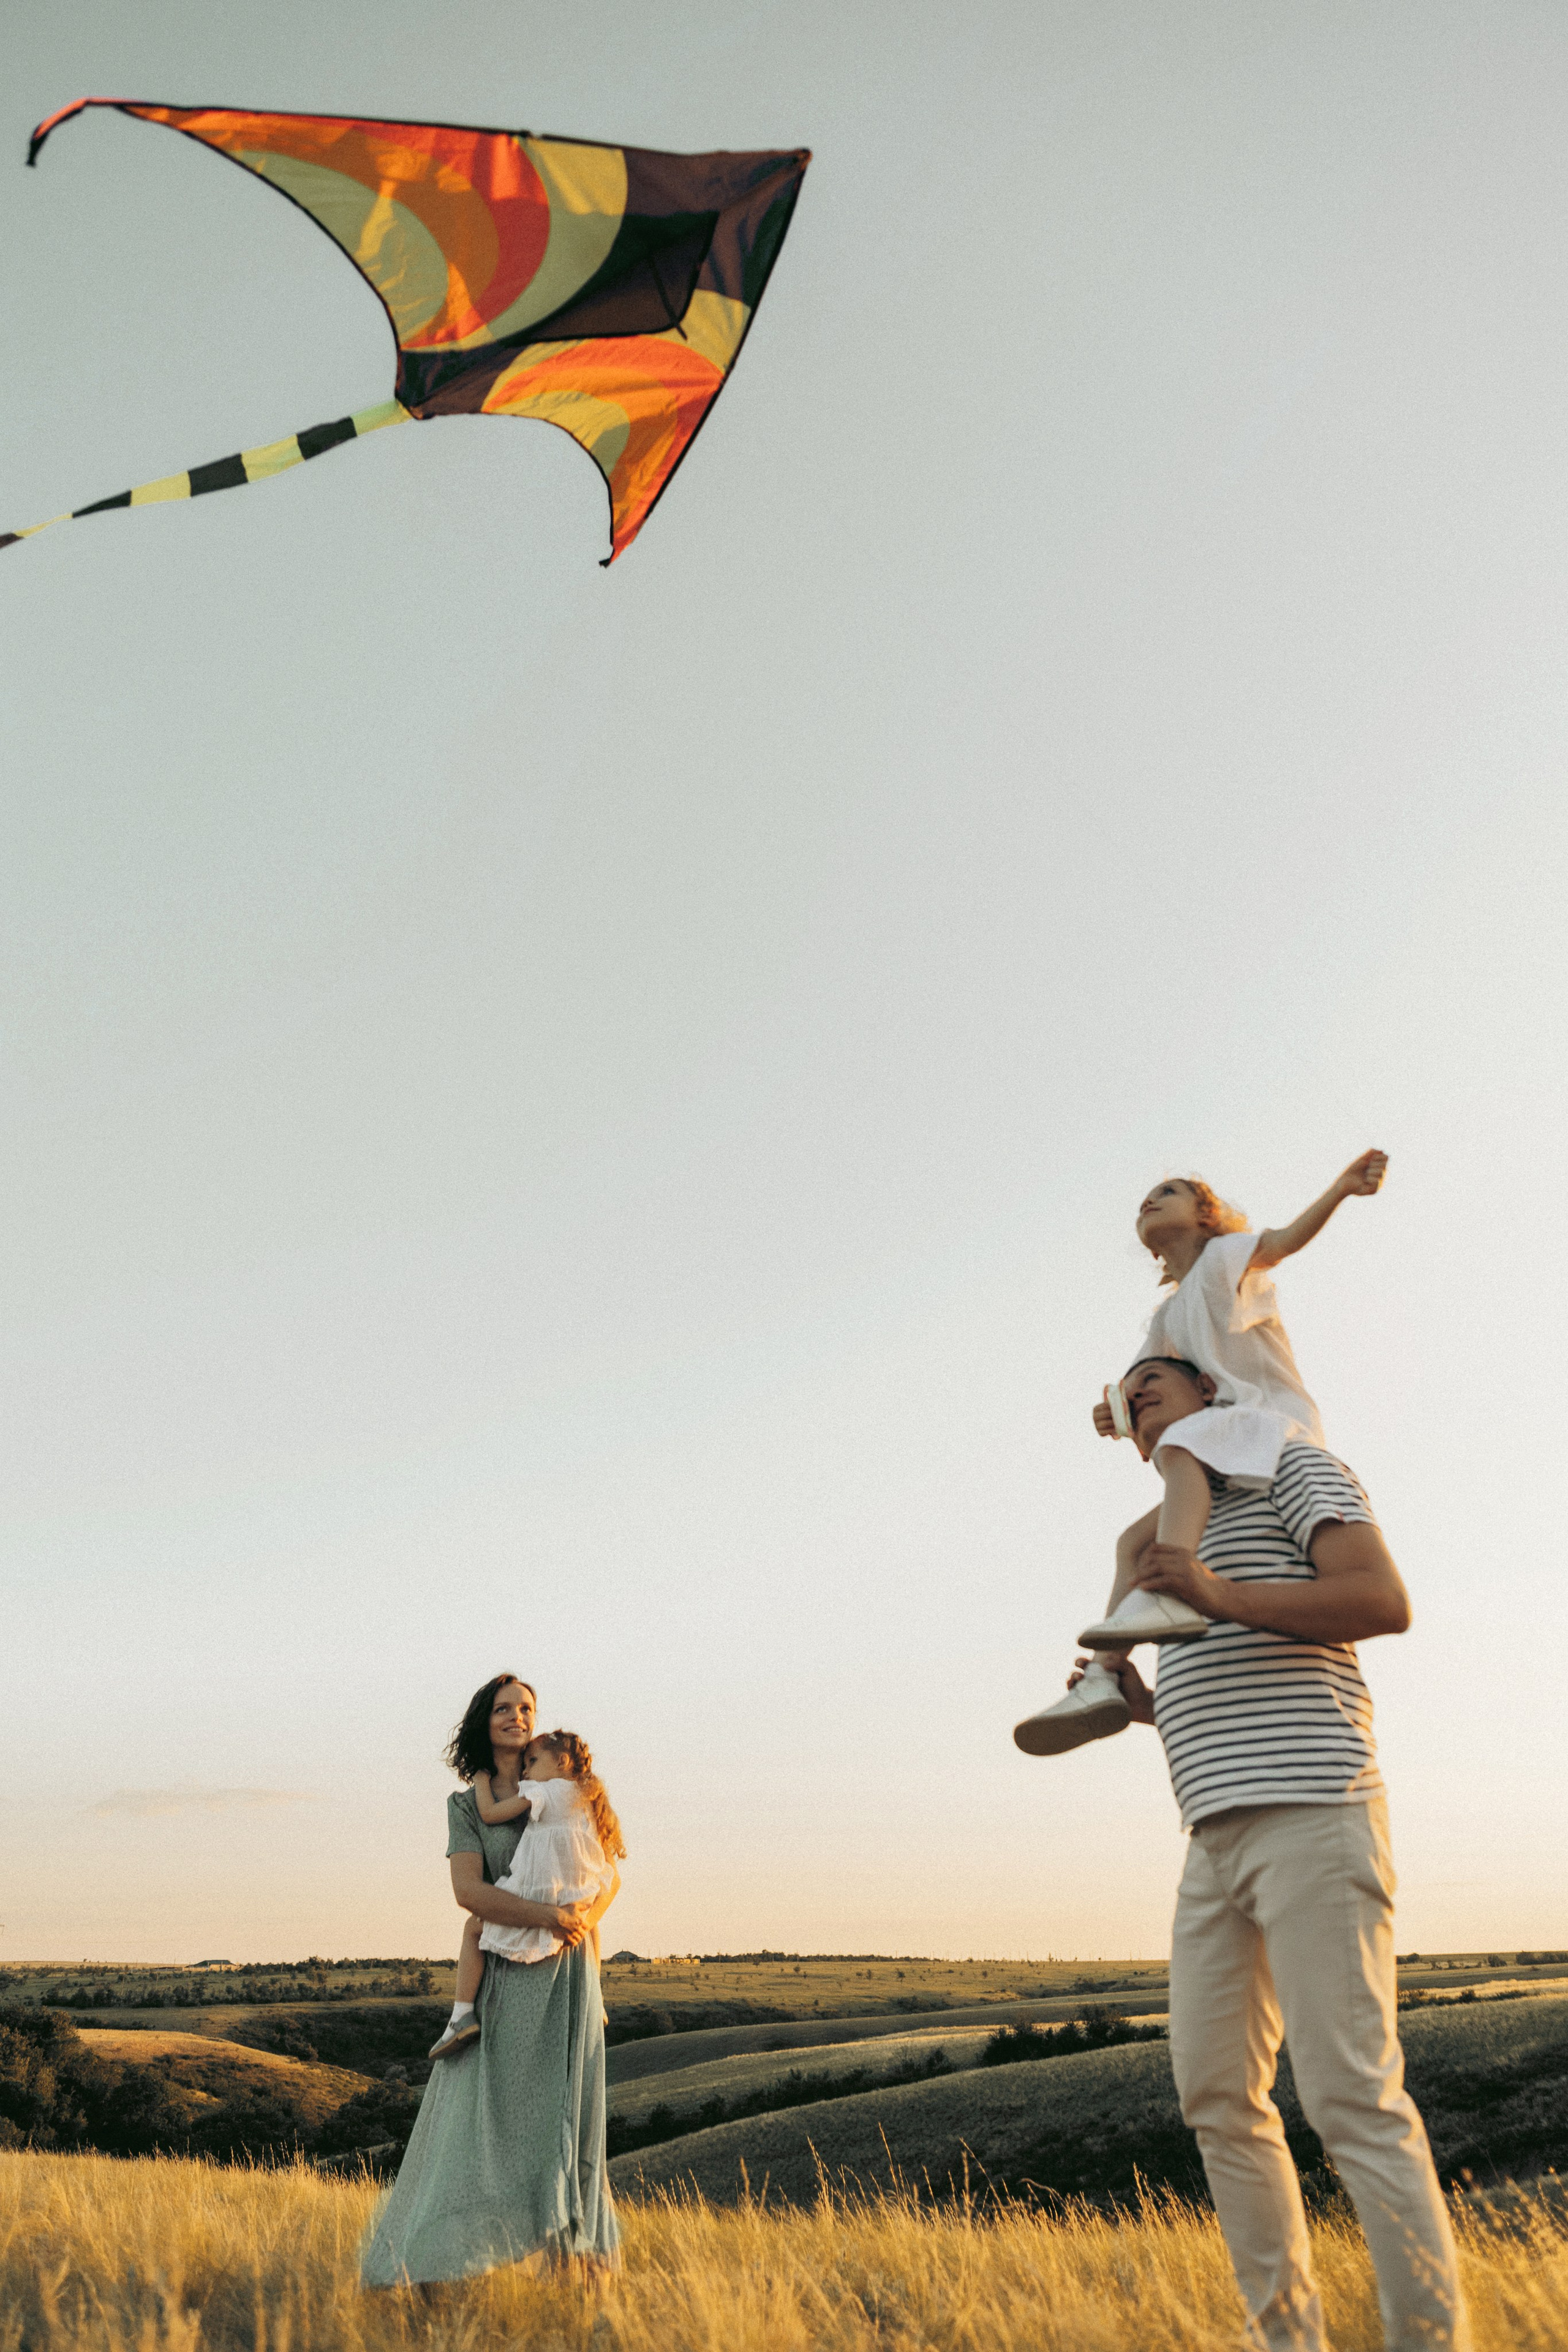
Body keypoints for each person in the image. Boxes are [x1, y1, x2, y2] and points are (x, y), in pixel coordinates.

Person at [1063, 1357, 1471, 2352]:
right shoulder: (1163, 1537)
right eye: (1128, 1386)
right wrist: (1149, 1707)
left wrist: (1213, 1590)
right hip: (1211, 1836)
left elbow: (1382, 1600)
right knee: (1214, 2098)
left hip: (1316, 1806)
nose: (1138, 1389)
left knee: (1350, 2098)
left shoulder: (1291, 1463)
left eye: (1158, 1374)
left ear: (1214, 1392)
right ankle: (1283, 2339)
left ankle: (1430, 2341)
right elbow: (1230, 1677)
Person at [1016, 1152, 1387, 1755]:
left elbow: (1285, 1241)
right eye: (1146, 1198)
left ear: (1206, 1214)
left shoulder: (1222, 1262)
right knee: (1131, 1545)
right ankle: (1102, 1678)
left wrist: (1340, 1189)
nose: (1149, 1200)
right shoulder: (1165, 1318)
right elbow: (1140, 1392)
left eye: (1169, 1191)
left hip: (1268, 1427)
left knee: (1179, 1447)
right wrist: (1112, 1414)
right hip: (1222, 1451)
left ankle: (1168, 1594)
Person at [360, 1674, 623, 2287]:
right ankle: (426, 2270)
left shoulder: (565, 1787)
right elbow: (468, 1894)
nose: (517, 1716)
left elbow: (608, 1873)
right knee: (472, 2124)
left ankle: (582, 2279)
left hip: (571, 1975)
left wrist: (580, 1921)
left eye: (526, 1708)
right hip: (504, 1981)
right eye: (504, 1708)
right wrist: (548, 1917)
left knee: (573, 2123)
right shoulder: (467, 1806)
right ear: (485, 1721)